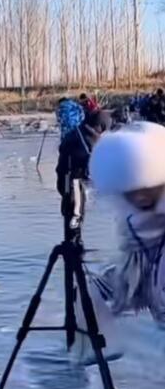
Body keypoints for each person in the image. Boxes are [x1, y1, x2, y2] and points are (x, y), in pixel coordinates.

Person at [76, 122, 165, 362]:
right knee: (87, 290)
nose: (141, 196)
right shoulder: (134, 227)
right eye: (132, 190)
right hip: (154, 293)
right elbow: (131, 278)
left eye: (149, 188)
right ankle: (103, 349)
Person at [56, 110, 111, 232]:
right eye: (104, 129)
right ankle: (72, 244)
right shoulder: (88, 138)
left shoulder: (80, 132)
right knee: (75, 215)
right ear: (100, 126)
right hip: (72, 181)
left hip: (69, 180)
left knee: (74, 215)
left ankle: (73, 242)